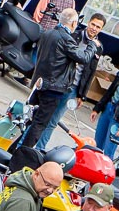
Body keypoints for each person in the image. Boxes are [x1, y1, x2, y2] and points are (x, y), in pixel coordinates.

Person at [14, 9, 88, 157]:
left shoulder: (47, 33)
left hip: (40, 83)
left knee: (31, 120)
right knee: (39, 123)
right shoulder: (66, 39)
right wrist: (92, 46)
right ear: (74, 23)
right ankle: (21, 155)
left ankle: (16, 148)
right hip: (53, 87)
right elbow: (83, 58)